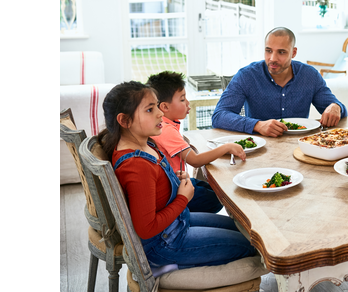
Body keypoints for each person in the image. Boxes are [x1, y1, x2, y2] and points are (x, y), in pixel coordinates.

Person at [98, 81, 257, 269]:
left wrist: (171, 180)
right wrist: (183, 198)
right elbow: (146, 229)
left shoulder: (144, 143)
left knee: (248, 231)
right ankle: (176, 267)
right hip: (166, 242)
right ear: (124, 121)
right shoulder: (137, 165)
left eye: (157, 105)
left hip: (178, 222)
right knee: (250, 246)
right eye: (150, 110)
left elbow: (153, 188)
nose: (160, 113)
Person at [212, 27, 347, 136]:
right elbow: (219, 116)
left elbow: (337, 109)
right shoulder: (247, 76)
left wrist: (336, 107)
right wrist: (257, 125)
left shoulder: (310, 75)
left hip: (301, 147)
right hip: (260, 148)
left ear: (293, 53)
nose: (272, 58)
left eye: (281, 52)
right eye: (268, 51)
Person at [147, 71, 247, 214]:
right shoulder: (166, 129)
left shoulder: (165, 125)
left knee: (216, 189)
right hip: (173, 190)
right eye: (182, 100)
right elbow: (195, 160)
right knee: (217, 198)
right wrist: (226, 147)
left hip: (177, 180)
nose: (188, 103)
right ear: (165, 107)